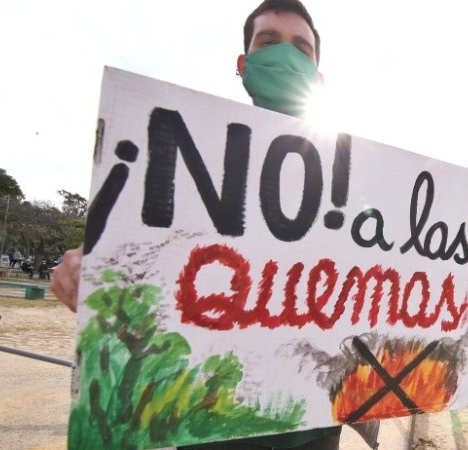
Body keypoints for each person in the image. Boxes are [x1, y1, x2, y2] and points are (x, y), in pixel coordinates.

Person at [52, 1, 348, 448]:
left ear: (319, 79)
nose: (286, 57)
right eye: (269, 42)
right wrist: (88, 274)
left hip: (315, 427)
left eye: (301, 49)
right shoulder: (186, 153)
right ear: (243, 64)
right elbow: (142, 253)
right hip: (212, 425)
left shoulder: (354, 177)